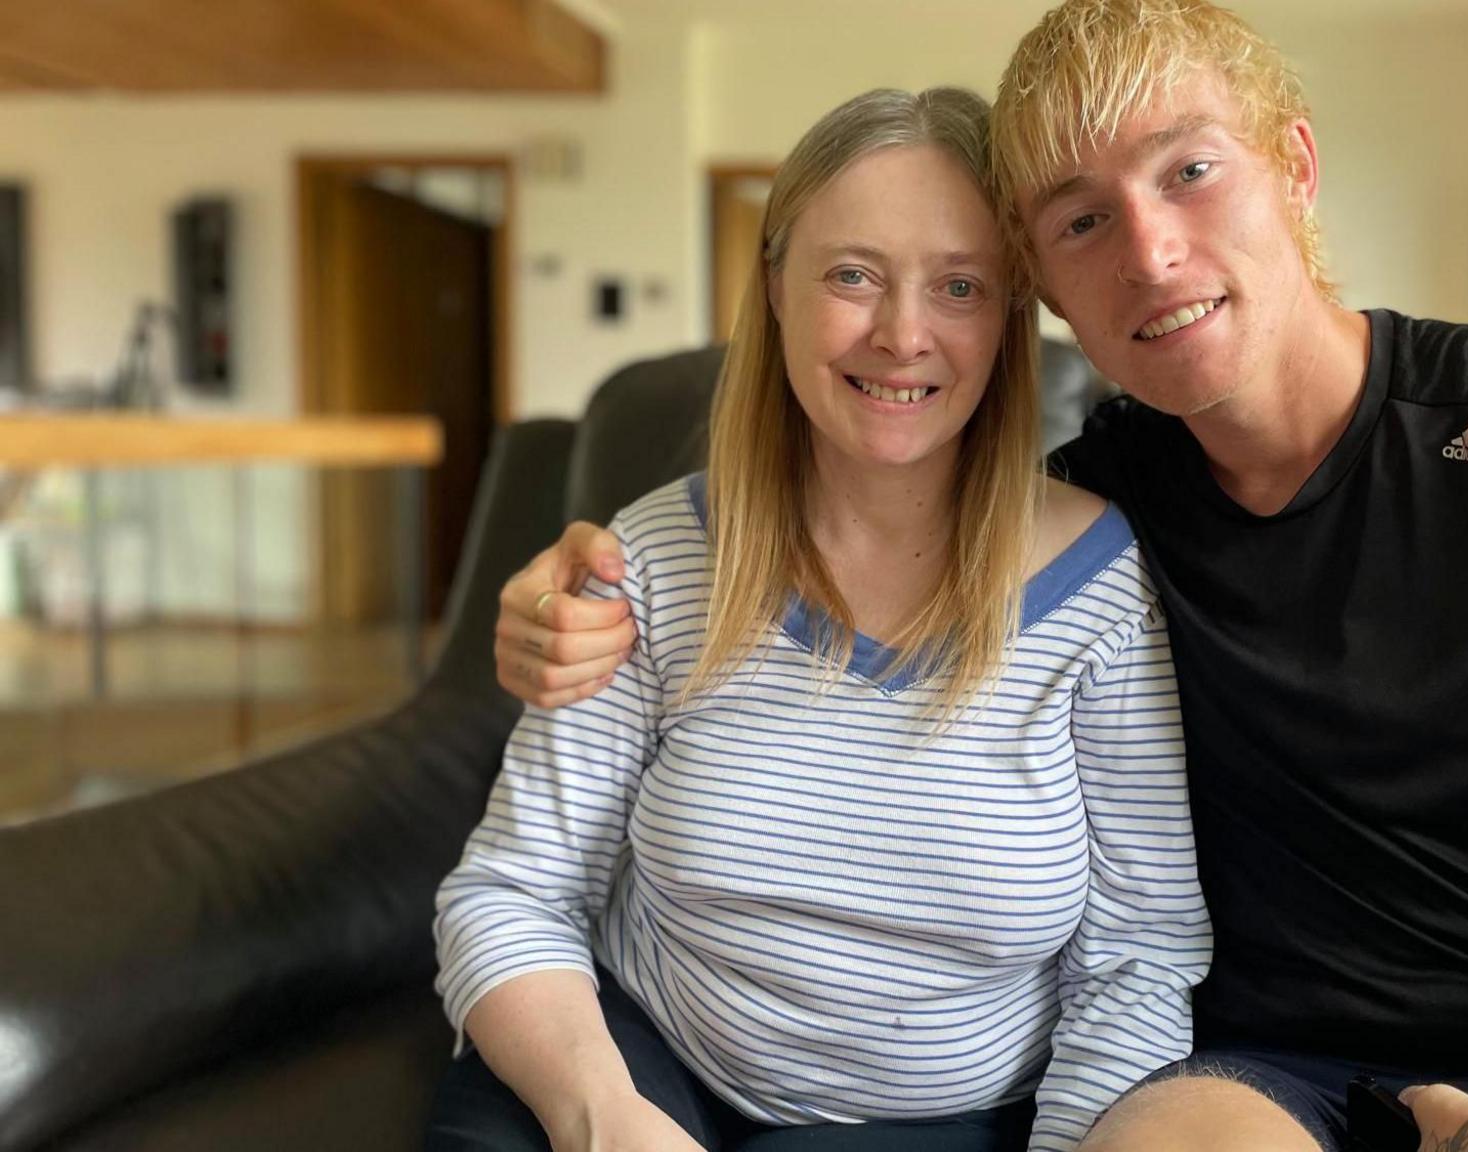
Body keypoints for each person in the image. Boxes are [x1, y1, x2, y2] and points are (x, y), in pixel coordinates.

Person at [497, 4, 1468, 1152]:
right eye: (1081, 219)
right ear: (1051, 288)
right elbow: (840, 506)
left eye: (1190, 171)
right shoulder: (1091, 515)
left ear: (1292, 169)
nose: (1149, 251)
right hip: (1266, 1083)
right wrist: (583, 573)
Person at [430, 85, 1210, 1152]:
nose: (901, 335)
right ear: (773, 287)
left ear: (1008, 318)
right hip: (633, 1067)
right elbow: (511, 889)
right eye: (851, 275)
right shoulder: (652, 553)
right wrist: (603, 1118)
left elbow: (1139, 954)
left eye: (959, 286)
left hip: (945, 1122)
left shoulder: (1099, 584)